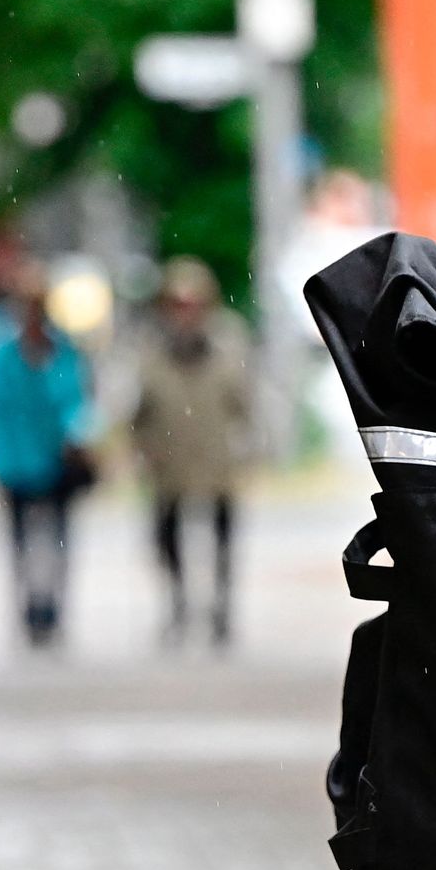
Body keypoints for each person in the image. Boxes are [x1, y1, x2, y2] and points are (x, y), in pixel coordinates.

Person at [0, 266, 98, 649]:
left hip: (57, 460)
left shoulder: (64, 351)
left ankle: (54, 606)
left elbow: (78, 402)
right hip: (15, 462)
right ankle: (29, 606)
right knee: (22, 541)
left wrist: (76, 435)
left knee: (59, 538)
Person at [132, 258, 255, 648]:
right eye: (177, 304)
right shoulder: (152, 346)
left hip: (216, 459)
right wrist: (140, 449)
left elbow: (245, 402)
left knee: (222, 537)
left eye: (192, 303)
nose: (185, 312)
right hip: (169, 460)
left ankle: (221, 609)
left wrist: (250, 448)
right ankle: (178, 606)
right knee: (167, 539)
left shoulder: (228, 341)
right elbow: (139, 407)